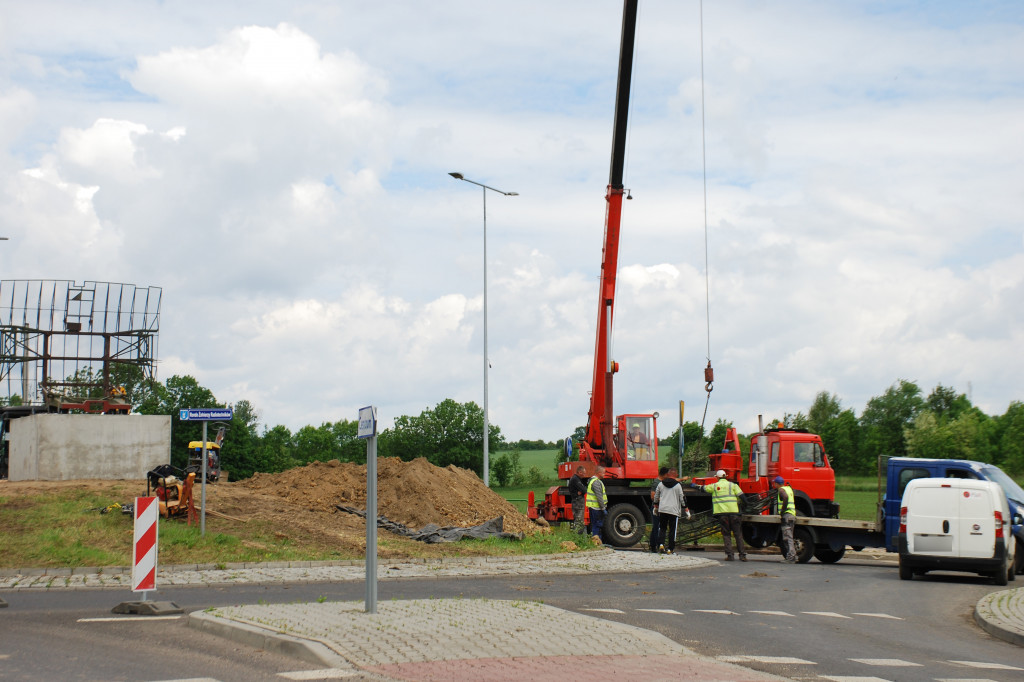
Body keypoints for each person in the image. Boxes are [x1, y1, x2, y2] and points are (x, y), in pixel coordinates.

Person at [692, 469, 747, 561]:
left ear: (717, 477)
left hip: (722, 515)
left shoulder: (714, 486)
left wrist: (694, 486)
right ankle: (742, 555)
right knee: (738, 534)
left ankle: (730, 556)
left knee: (726, 534)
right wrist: (745, 508)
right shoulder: (733, 485)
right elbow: (743, 497)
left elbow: (703, 488)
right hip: (734, 514)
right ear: (726, 476)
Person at [653, 468, 690, 554]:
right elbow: (682, 498)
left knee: (662, 528)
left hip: (663, 509)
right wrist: (686, 509)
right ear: (676, 475)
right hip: (673, 510)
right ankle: (670, 549)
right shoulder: (678, 485)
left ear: (668, 474)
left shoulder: (661, 484)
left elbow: (656, 496)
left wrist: (655, 506)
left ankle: (661, 544)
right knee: (672, 530)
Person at [773, 475, 797, 563]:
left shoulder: (781, 490)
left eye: (774, 483)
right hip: (792, 515)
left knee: (787, 537)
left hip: (786, 515)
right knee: (789, 537)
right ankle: (792, 556)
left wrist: (783, 511)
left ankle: (791, 557)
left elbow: (785, 498)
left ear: (776, 484)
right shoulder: (789, 489)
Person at [649, 467, 669, 552]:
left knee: (656, 527)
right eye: (667, 474)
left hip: (660, 507)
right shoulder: (656, 483)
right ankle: (657, 546)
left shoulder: (661, 482)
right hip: (656, 508)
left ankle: (653, 545)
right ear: (664, 474)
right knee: (657, 527)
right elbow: (653, 497)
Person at [586, 466, 608, 543]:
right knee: (597, 526)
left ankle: (596, 542)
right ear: (599, 473)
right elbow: (599, 497)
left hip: (594, 507)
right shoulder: (596, 482)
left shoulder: (592, 481)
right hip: (596, 508)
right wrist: (603, 508)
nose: (604, 474)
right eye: (603, 473)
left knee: (595, 525)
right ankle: (596, 542)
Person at [568, 465, 588, 535]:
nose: (584, 475)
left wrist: (581, 491)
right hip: (578, 502)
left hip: (576, 500)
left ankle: (577, 536)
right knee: (579, 520)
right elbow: (584, 490)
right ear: (579, 472)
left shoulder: (575, 479)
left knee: (578, 519)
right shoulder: (575, 479)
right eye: (584, 473)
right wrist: (581, 491)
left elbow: (582, 490)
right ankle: (577, 537)